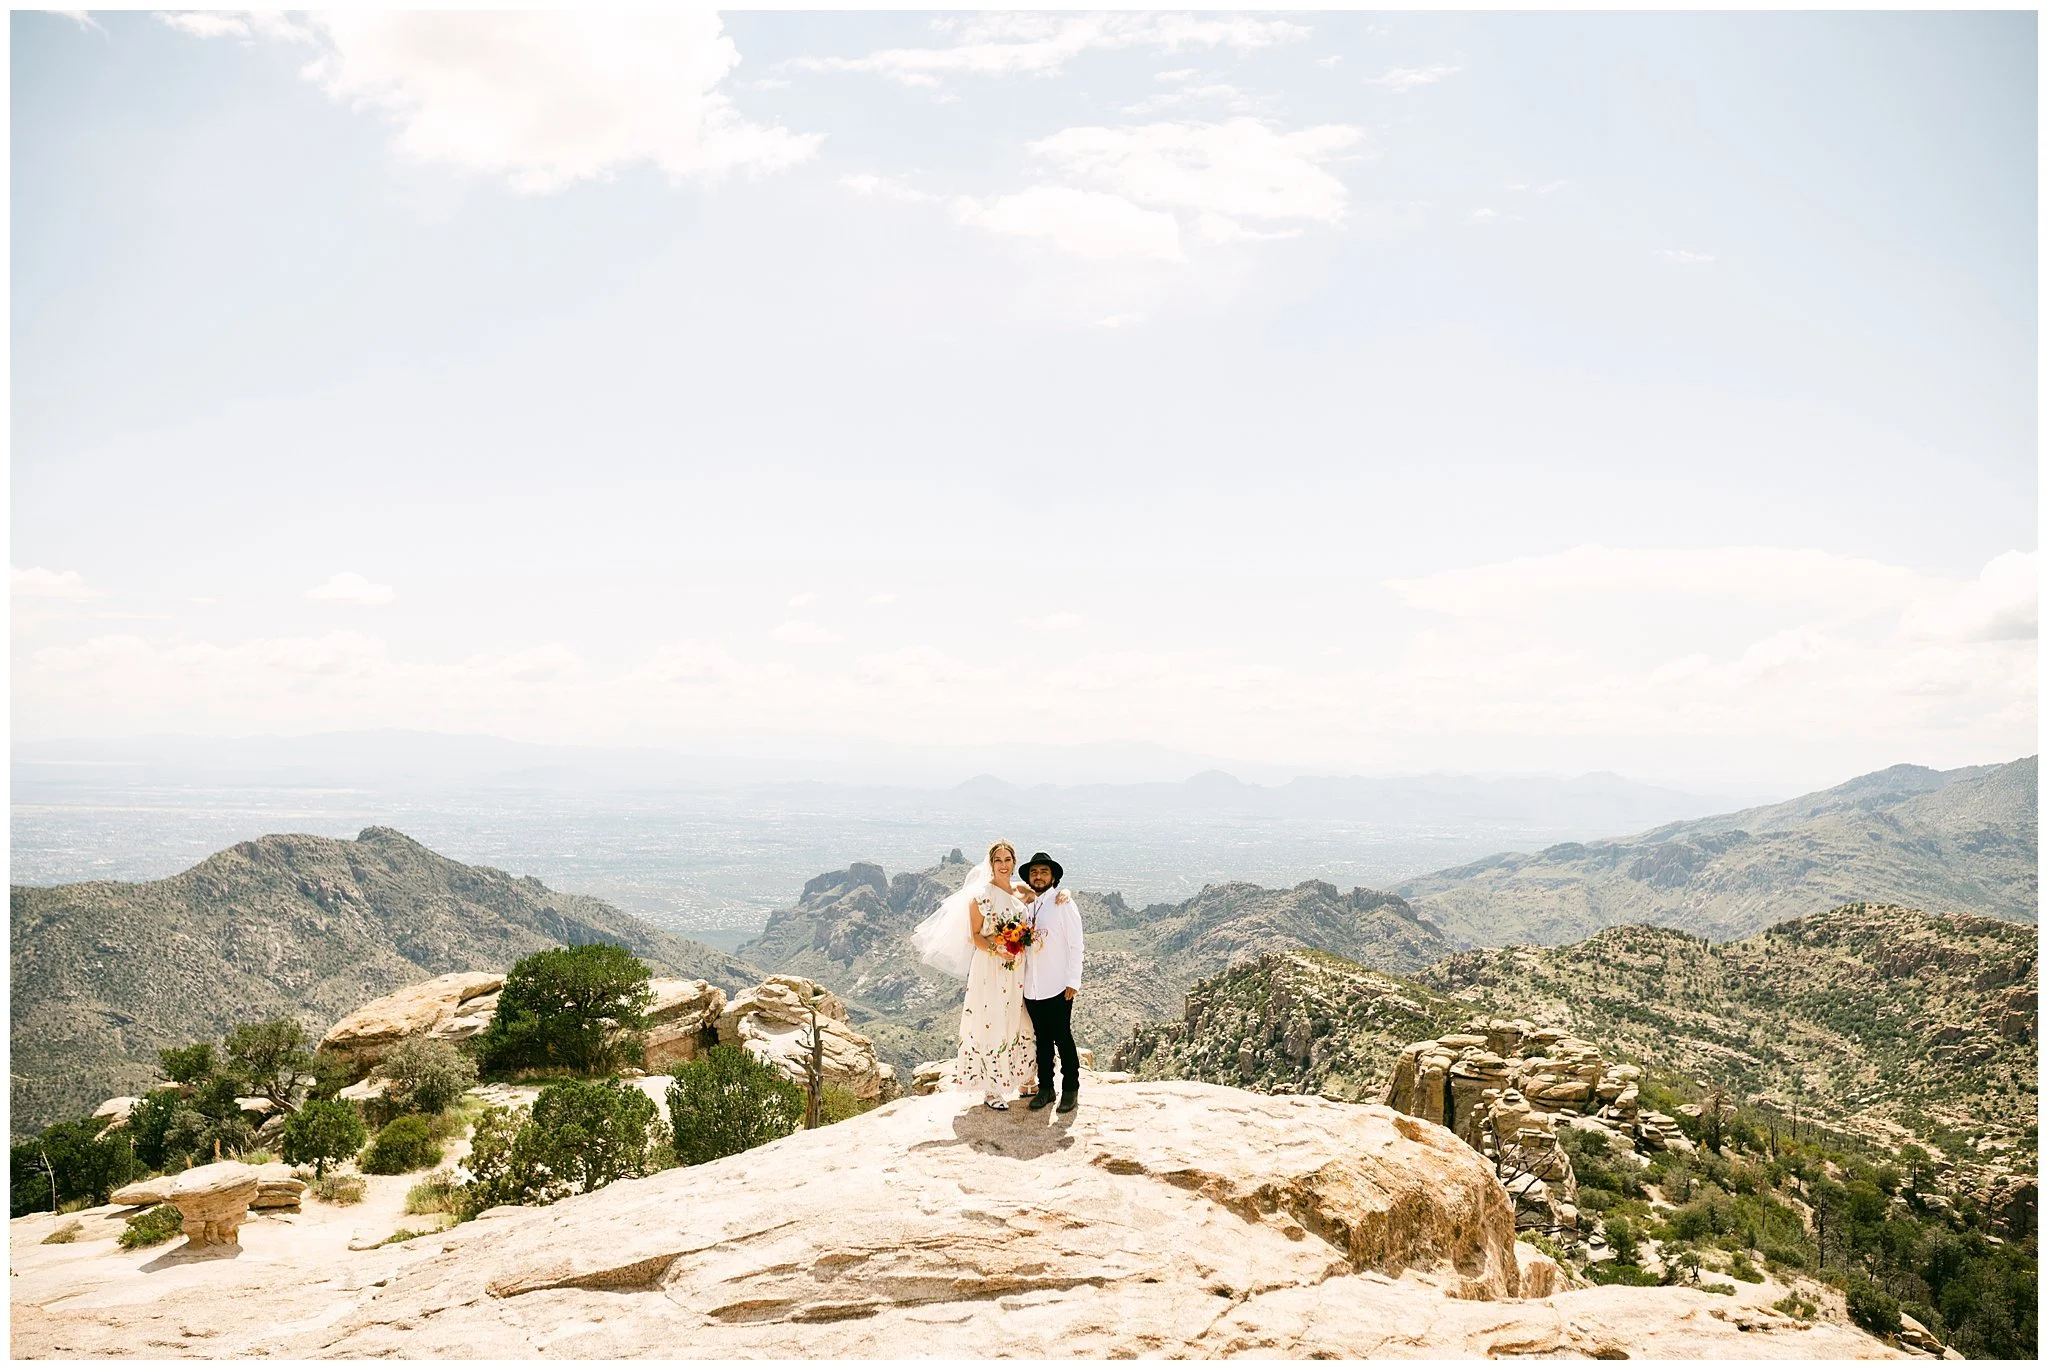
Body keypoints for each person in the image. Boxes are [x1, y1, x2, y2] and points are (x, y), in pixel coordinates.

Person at [908, 840, 1037, 1109]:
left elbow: (1045, 901)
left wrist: (1065, 894)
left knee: (1018, 1019)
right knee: (992, 1021)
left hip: (1016, 971)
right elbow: (975, 936)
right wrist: (997, 950)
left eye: (1008, 859)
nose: (1003, 865)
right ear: (990, 863)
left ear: (1014, 862)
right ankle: (992, 1089)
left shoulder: (1023, 892)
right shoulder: (981, 898)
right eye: (998, 860)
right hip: (991, 967)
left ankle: (1025, 1078)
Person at [1016, 851, 1084, 1113]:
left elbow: (1076, 944)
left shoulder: (1062, 903)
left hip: (1058, 985)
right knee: (1041, 1039)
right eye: (1034, 872)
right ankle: (1046, 1087)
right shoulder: (1027, 907)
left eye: (1044, 872)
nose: (1039, 876)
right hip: (1032, 986)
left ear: (1053, 876)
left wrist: (1073, 981)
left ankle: (1071, 1088)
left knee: (1062, 1037)